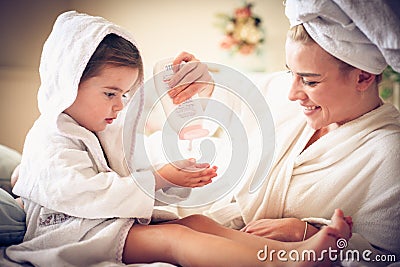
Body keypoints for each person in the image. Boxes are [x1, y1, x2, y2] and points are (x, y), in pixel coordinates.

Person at [4, 11, 352, 267]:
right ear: (68, 84)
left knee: (199, 223)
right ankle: (279, 264)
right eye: (110, 93)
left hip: (107, 220)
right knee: (175, 238)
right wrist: (158, 178)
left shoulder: (103, 129)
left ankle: (294, 253)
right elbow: (87, 193)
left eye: (124, 95)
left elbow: (131, 173)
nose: (119, 105)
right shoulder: (49, 139)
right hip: (72, 230)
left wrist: (171, 177)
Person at [219, 0, 399, 266]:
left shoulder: (390, 154)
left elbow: (385, 258)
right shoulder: (298, 107)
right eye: (290, 73)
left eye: (310, 81)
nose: (292, 93)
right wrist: (199, 81)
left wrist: (306, 232)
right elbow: (239, 93)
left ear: (362, 77)